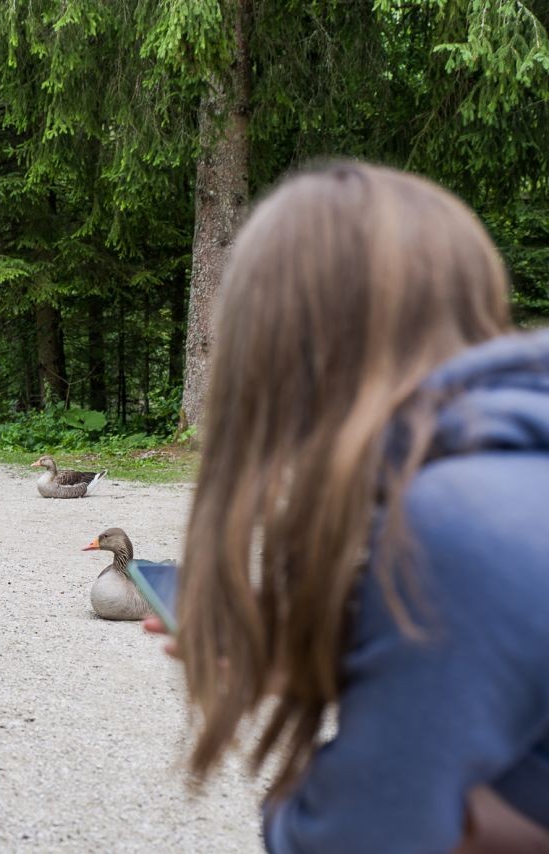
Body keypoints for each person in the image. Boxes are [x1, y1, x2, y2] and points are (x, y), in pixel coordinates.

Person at [151, 162, 549, 852]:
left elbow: (352, 836)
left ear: (278, 353)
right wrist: (321, 657)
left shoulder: (453, 525)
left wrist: (289, 806)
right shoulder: (516, 472)